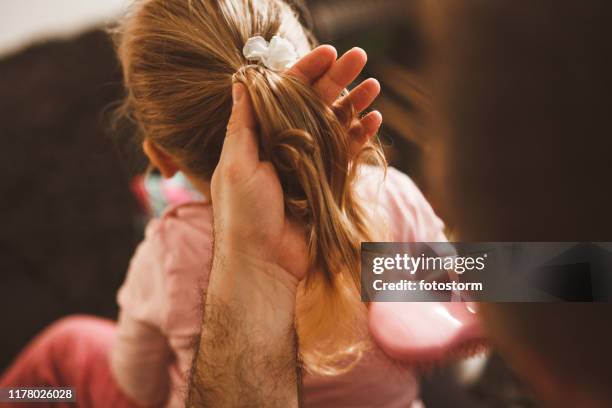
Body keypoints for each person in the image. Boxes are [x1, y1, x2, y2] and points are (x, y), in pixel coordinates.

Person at [2, 0, 454, 407]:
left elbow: (137, 385)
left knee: (67, 348)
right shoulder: (390, 196)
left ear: (160, 158)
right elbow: (465, 284)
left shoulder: (171, 251)